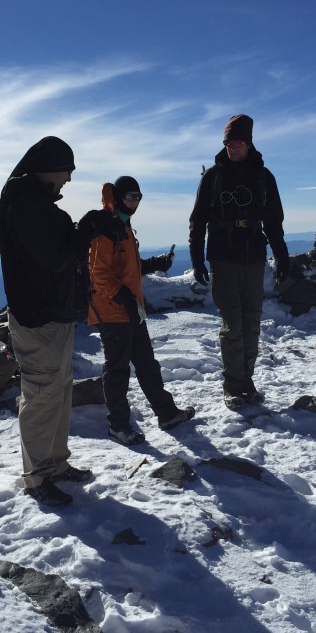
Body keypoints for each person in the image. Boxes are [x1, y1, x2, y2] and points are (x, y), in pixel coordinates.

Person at [0, 136, 104, 507]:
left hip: (52, 313)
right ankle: (38, 475)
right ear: (49, 167)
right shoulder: (25, 204)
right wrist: (85, 230)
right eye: (67, 172)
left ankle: (55, 465)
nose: (68, 181)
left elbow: (55, 251)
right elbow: (54, 257)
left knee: (59, 390)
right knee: (43, 394)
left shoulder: (33, 202)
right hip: (37, 315)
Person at [188, 114, 289, 409]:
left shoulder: (264, 177)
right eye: (229, 142)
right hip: (223, 257)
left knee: (251, 324)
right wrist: (197, 260)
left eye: (239, 141)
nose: (233, 147)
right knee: (233, 325)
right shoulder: (213, 177)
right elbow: (198, 221)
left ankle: (247, 380)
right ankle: (232, 384)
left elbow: (273, 221)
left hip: (254, 258)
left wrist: (281, 256)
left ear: (249, 143)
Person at [85, 176, 196, 445]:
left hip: (130, 309)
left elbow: (127, 267)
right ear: (119, 197)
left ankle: (167, 414)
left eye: (138, 197)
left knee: (147, 363)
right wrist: (124, 297)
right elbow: (98, 273)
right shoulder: (105, 228)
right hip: (111, 311)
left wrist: (155, 263)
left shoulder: (123, 225)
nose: (134, 202)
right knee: (118, 369)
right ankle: (119, 426)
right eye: (130, 197)